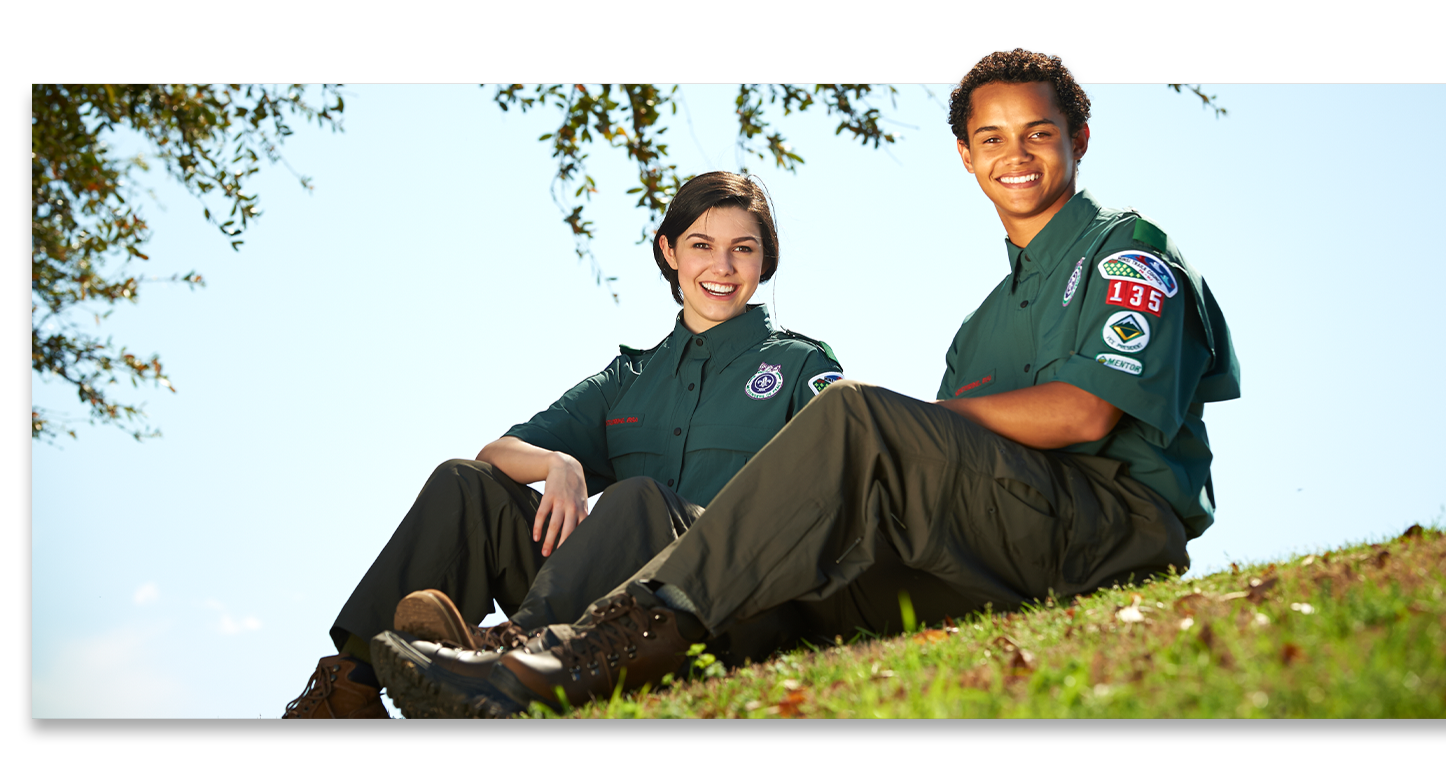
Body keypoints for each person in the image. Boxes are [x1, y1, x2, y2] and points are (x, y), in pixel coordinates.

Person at [371, 49, 1242, 719]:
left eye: (1038, 134)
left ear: (1078, 140)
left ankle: (557, 657)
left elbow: (1085, 411)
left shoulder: (1123, 250)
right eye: (991, 138)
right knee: (821, 577)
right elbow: (923, 484)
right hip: (999, 544)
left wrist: (914, 426)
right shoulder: (978, 328)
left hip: (1108, 527)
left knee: (851, 418)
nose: (1015, 156)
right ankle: (388, 673)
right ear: (966, 157)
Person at [281, 171, 844, 718]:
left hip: (721, 602)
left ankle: (515, 655)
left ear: (764, 260)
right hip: (603, 601)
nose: (721, 267)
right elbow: (496, 453)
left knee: (637, 498)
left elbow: (841, 484)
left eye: (741, 248)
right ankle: (348, 692)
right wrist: (560, 462)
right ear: (669, 251)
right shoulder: (630, 378)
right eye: (702, 244)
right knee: (466, 484)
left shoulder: (799, 365)